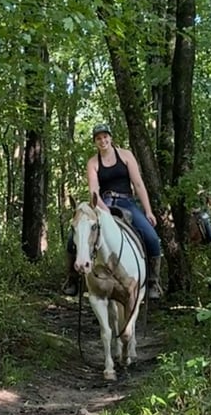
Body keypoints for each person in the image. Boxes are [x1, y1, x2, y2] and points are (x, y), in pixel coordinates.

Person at [62, 123, 163, 299]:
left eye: (105, 137)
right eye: (98, 138)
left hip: (127, 201)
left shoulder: (126, 155)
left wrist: (148, 211)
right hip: (103, 202)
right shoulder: (93, 162)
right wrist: (105, 210)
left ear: (111, 137)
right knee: (74, 236)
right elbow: (94, 191)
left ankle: (153, 281)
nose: (103, 141)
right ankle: (72, 278)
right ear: (95, 141)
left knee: (152, 236)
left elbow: (138, 184)